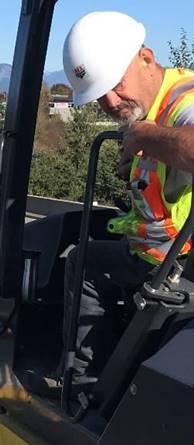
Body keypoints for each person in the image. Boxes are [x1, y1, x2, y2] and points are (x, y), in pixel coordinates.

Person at [62, 11, 194, 383]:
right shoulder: (155, 107)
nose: (110, 100)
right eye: (99, 95)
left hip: (176, 265)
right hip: (163, 254)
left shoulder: (184, 103)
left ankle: (82, 386)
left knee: (83, 263)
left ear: (146, 58)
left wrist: (144, 139)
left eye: (115, 84)